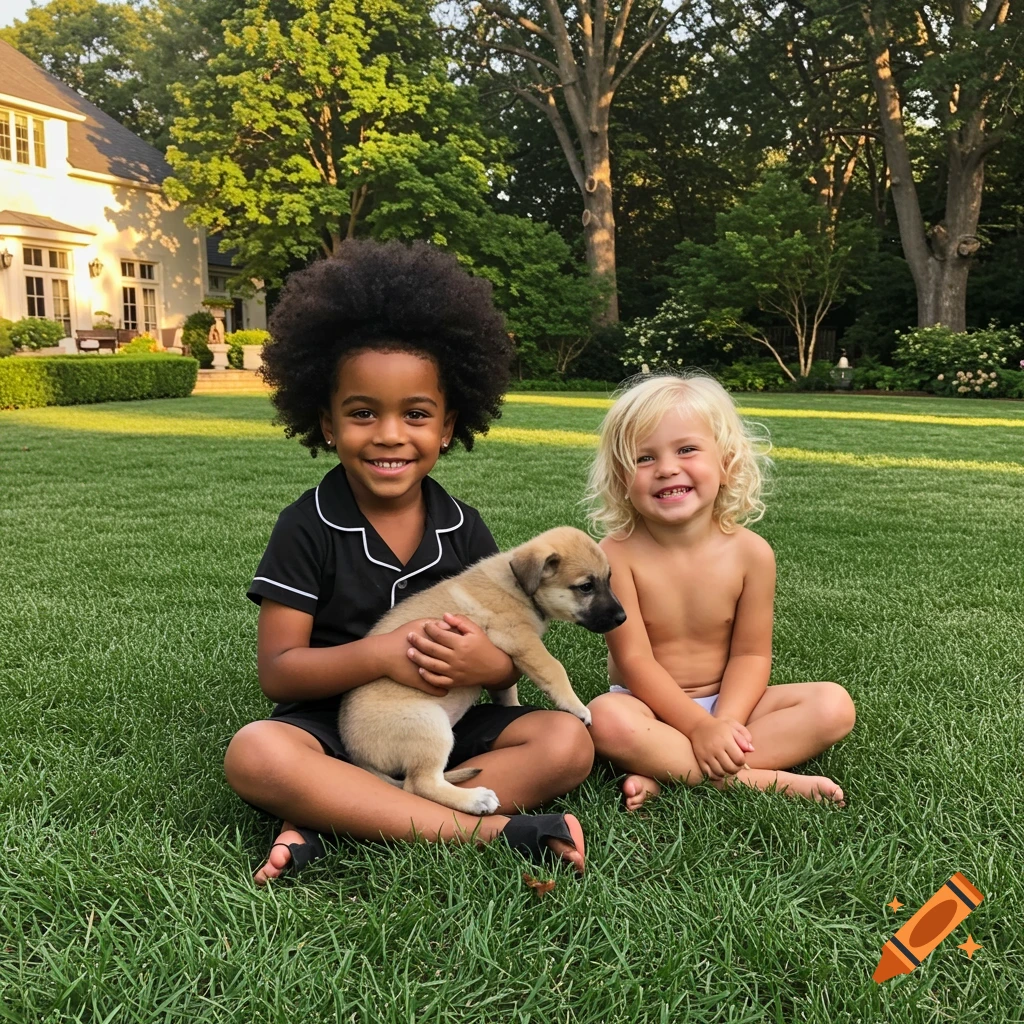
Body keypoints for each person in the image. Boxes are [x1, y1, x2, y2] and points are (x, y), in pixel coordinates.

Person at [226, 240, 592, 882]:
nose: (390, 434)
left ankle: (340, 815)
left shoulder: (464, 525)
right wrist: (384, 656)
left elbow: (507, 644)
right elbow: (280, 674)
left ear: (449, 426)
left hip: (455, 713)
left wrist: (488, 664)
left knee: (568, 744)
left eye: (416, 414)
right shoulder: (306, 526)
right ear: (328, 423)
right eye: (363, 413)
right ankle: (485, 834)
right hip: (331, 718)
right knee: (255, 752)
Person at [584, 372, 856, 812]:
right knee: (604, 719)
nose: (667, 468)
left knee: (834, 705)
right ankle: (750, 780)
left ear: (727, 462)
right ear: (621, 478)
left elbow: (751, 655)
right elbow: (634, 662)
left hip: (735, 706)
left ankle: (666, 770)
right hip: (647, 707)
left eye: (686, 449)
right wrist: (697, 726)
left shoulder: (752, 554)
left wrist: (724, 723)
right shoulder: (615, 555)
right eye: (644, 458)